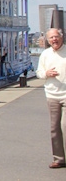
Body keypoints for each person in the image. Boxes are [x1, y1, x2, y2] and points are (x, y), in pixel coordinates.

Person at [35, 28, 66, 169]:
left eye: (56, 36)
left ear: (61, 37)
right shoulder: (45, 55)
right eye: (51, 38)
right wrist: (46, 73)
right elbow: (39, 72)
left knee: (65, 126)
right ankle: (59, 158)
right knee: (54, 128)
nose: (54, 39)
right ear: (48, 40)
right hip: (52, 95)